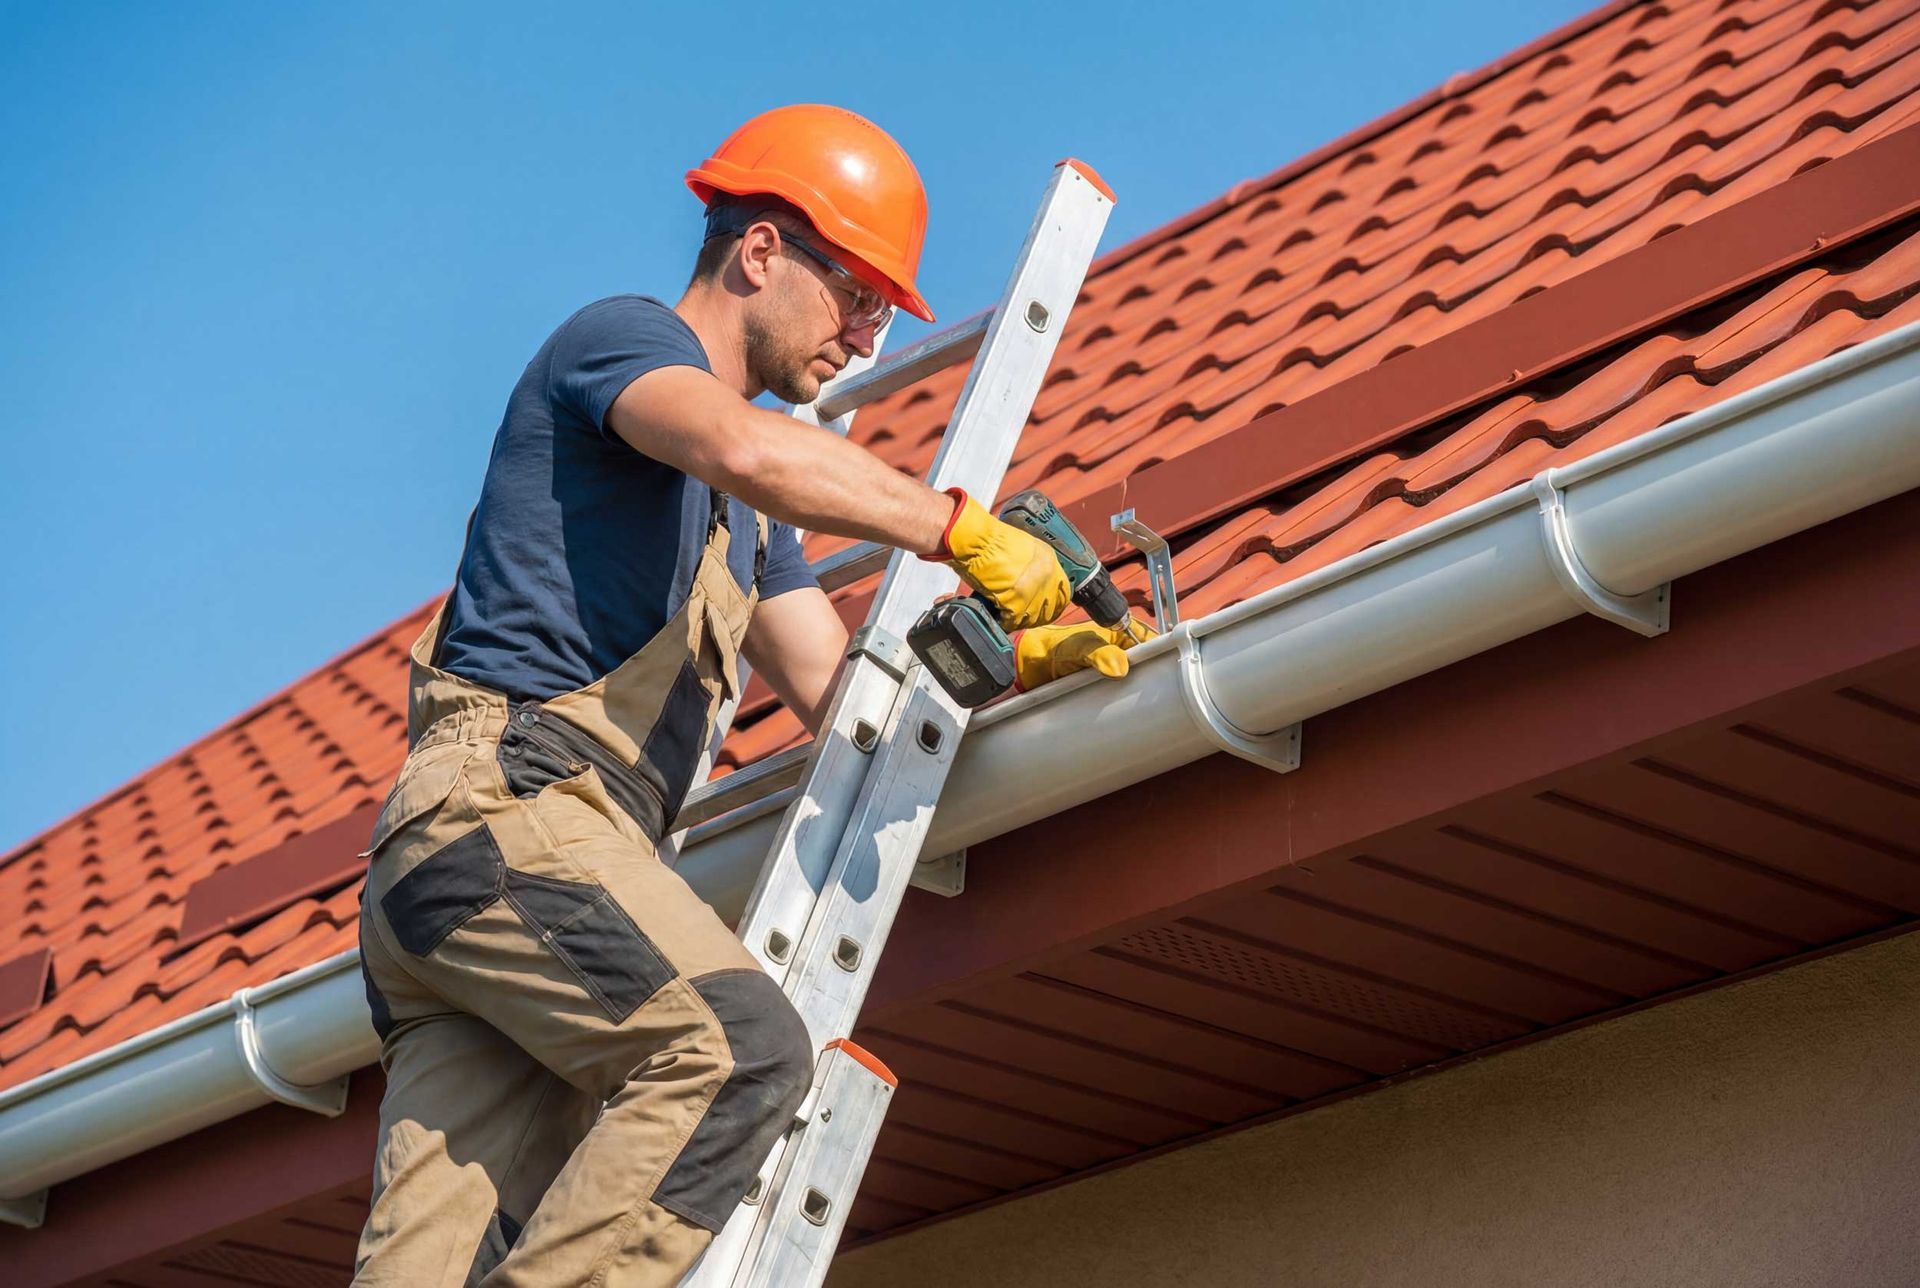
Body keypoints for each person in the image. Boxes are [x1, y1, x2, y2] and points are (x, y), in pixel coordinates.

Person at [352, 104, 1148, 1287]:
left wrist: (1020, 671)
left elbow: (830, 683)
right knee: (737, 1051)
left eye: (887, 312)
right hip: (503, 818)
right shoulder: (618, 341)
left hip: (486, 888)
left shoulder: (748, 522)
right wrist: (952, 526)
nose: (869, 339)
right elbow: (747, 446)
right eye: (857, 294)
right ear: (761, 249)